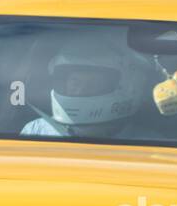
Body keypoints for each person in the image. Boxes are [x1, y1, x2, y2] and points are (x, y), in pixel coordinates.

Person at [22, 39, 155, 139]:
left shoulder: (148, 143)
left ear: (127, 87)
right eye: (75, 82)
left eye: (93, 84)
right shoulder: (36, 132)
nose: (80, 91)